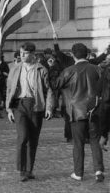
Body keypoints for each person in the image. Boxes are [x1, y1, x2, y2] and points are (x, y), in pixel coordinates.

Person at [54, 43, 104, 182]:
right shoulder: (97, 69)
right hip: (94, 110)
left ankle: (78, 173)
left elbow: (56, 84)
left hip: (76, 111)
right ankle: (98, 170)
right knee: (95, 141)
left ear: (72, 54)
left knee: (78, 143)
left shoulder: (69, 70)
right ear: (87, 54)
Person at [6, 42, 54, 182]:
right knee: (23, 136)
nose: (21, 55)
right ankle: (22, 170)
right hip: (19, 105)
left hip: (36, 105)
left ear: (33, 54)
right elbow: (9, 89)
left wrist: (49, 107)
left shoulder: (41, 70)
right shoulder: (15, 69)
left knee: (33, 139)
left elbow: (49, 90)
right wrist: (9, 109)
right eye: (21, 53)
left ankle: (29, 170)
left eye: (25, 53)